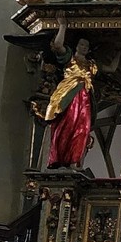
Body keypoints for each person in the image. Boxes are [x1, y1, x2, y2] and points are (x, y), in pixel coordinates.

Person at [42, 39, 97, 168]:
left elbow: (110, 68)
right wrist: (62, 25)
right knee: (67, 126)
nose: (84, 47)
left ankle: (74, 161)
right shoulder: (70, 59)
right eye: (82, 44)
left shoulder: (91, 64)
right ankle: (60, 159)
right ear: (76, 46)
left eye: (86, 45)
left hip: (85, 99)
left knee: (83, 130)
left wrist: (120, 52)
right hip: (70, 95)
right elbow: (58, 45)